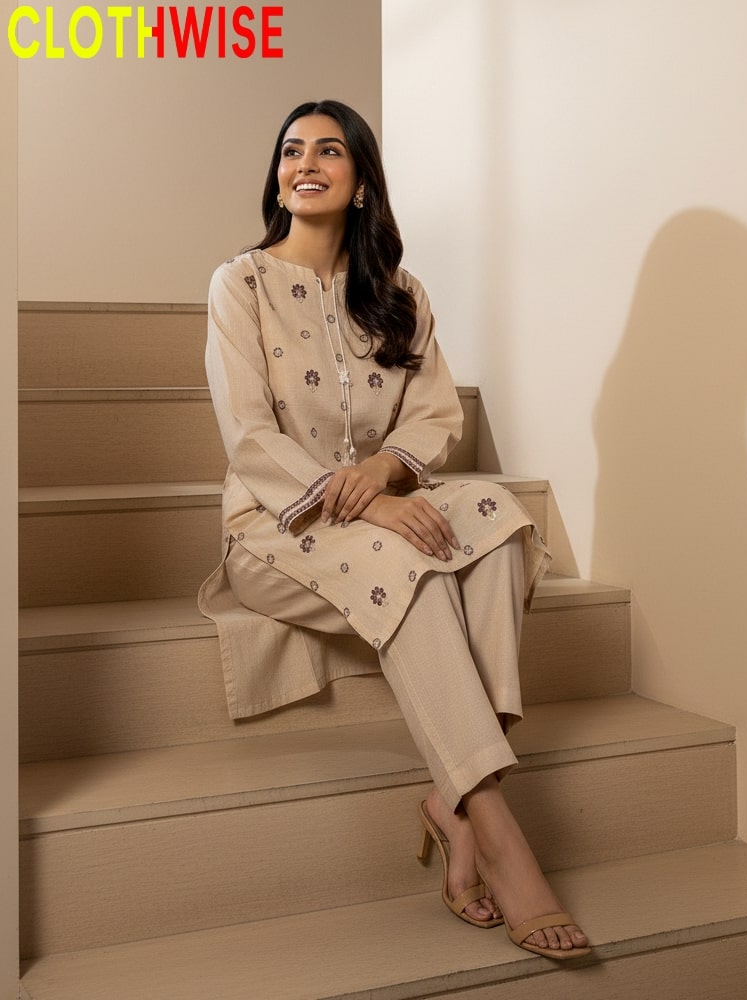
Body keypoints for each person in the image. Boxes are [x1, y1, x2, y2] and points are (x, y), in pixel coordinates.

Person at [199, 99, 591, 960]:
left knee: (496, 518)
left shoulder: (400, 295)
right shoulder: (240, 285)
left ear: (363, 183)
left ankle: (450, 800)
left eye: (328, 150)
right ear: (278, 176)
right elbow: (249, 436)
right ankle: (495, 830)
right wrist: (367, 506)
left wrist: (382, 475)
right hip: (277, 526)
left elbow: (435, 415)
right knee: (407, 560)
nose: (305, 163)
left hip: (384, 502)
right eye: (291, 150)